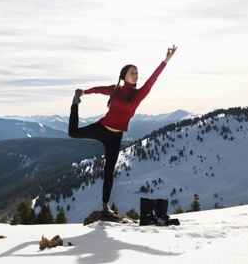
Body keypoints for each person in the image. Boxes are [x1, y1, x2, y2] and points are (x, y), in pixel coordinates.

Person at [68, 45, 178, 216]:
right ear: (124, 75)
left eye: (137, 72)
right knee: (73, 133)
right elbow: (98, 90)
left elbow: (153, 79)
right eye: (132, 72)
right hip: (101, 128)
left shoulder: (138, 95)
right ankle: (74, 104)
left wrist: (166, 60)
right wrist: (83, 93)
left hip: (115, 137)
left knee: (109, 171)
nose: (136, 75)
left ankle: (105, 206)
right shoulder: (115, 90)